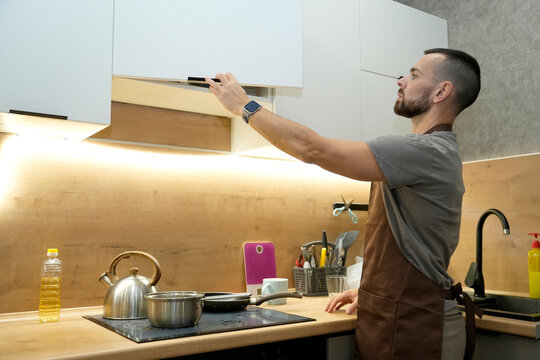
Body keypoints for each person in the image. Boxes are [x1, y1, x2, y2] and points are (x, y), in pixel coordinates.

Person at [205, 48, 482, 360]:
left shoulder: (425, 151)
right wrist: (372, 293)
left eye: (414, 75)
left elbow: (313, 149)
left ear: (442, 91)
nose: (401, 80)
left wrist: (245, 106)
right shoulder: (426, 153)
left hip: (418, 325)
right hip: (401, 315)